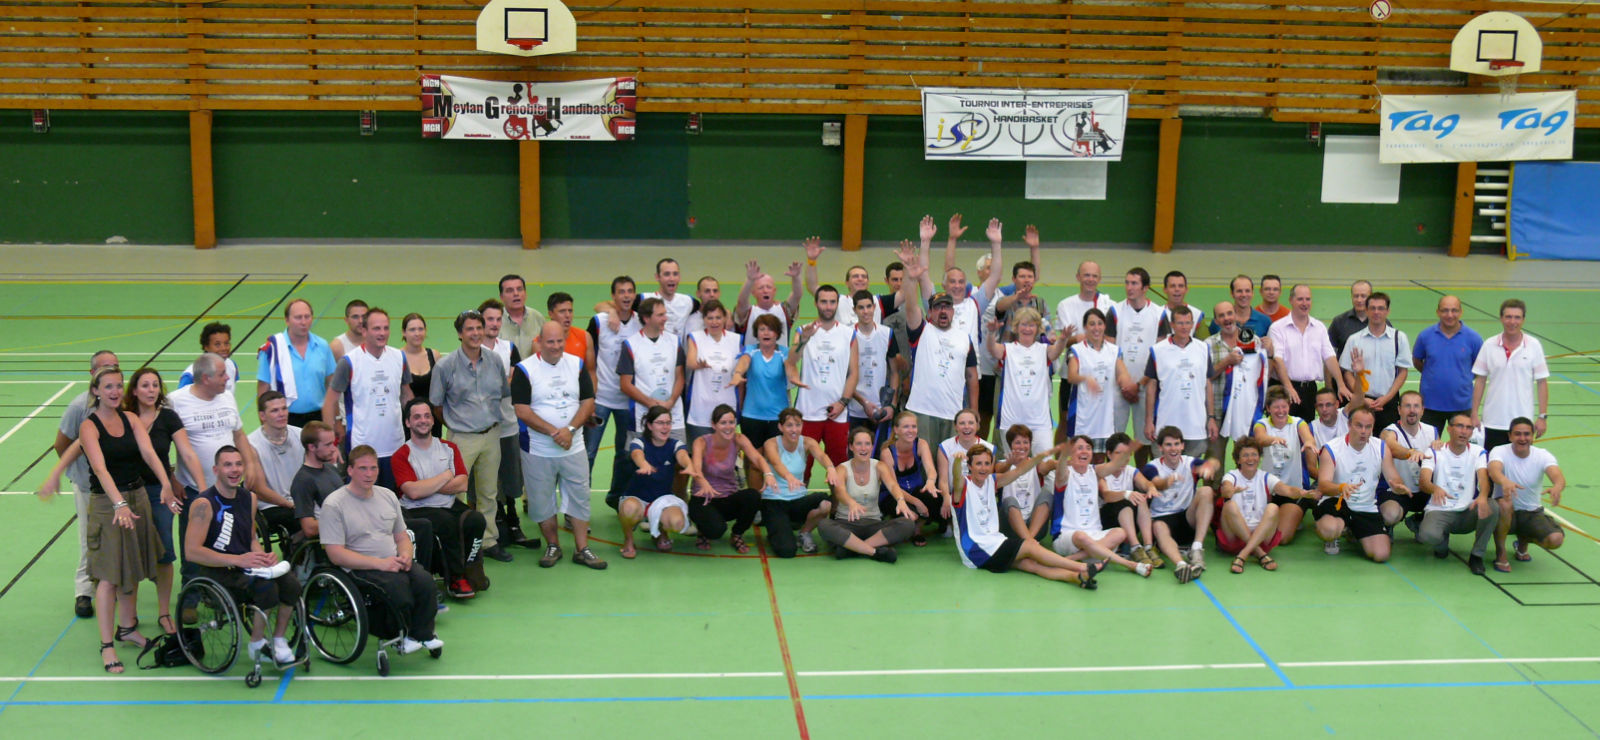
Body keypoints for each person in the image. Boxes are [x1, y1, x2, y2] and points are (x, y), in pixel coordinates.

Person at [78, 366, 173, 673]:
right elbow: (100, 469)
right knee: (109, 577)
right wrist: (118, 503)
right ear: (96, 391)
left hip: (138, 497)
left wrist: (166, 483)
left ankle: (128, 627)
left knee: (133, 568)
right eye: (108, 387)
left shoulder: (131, 419)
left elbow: (148, 454)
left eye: (119, 386)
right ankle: (107, 646)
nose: (115, 392)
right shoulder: (89, 427)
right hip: (108, 504)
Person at [319, 445, 443, 655]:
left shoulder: (387, 496)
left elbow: (401, 536)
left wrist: (405, 555)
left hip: (391, 561)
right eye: (363, 468)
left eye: (373, 468)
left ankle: (421, 633)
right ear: (350, 470)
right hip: (359, 568)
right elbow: (335, 554)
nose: (369, 474)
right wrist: (380, 564)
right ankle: (397, 635)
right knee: (399, 590)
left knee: (425, 583)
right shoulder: (334, 505)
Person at [184, 446, 301, 667]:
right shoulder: (204, 504)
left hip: (245, 566)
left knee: (292, 585)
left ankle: (277, 639)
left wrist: (263, 556)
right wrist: (237, 560)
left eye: (238, 464)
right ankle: (256, 643)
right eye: (228, 465)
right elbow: (191, 551)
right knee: (267, 589)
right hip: (217, 572)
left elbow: (250, 540)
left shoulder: (250, 499)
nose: (234, 469)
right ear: (216, 469)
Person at [513, 322, 607, 570]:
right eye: (550, 342)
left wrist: (571, 430)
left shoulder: (576, 365)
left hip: (573, 447)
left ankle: (582, 548)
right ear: (540, 341)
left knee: (579, 497)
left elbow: (587, 401)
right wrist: (555, 432)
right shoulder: (525, 369)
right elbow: (521, 410)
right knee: (542, 500)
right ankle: (552, 545)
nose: (555, 347)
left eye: (559, 341)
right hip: (538, 449)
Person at [429, 309, 514, 562]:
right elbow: (436, 405)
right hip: (461, 438)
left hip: (491, 435)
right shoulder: (445, 366)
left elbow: (502, 394)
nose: (476, 333)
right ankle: (459, 541)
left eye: (479, 327)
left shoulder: (495, 361)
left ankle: (488, 541)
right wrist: (457, 426)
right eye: (469, 329)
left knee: (489, 492)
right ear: (459, 333)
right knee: (457, 492)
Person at [947, 446, 1098, 587]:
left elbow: (1018, 471)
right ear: (970, 466)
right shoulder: (963, 486)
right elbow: (956, 476)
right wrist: (958, 461)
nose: (983, 468)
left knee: (1032, 565)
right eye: (978, 463)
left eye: (987, 463)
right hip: (978, 550)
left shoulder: (992, 481)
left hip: (995, 543)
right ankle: (1084, 567)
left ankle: (1077, 578)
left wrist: (1040, 457)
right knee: (1030, 546)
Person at [392, 398, 487, 598]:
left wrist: (426, 484)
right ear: (408, 422)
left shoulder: (449, 448)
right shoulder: (401, 455)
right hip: (416, 508)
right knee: (445, 522)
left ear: (433, 421)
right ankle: (455, 578)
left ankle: (471, 568)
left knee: (476, 520)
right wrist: (445, 476)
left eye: (427, 416)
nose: (423, 420)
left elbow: (462, 483)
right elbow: (413, 492)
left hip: (448, 504)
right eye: (417, 417)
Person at [51, 350, 120, 618]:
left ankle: (110, 585)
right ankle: (83, 592)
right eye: (104, 368)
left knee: (114, 539)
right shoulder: (79, 407)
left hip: (118, 486)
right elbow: (61, 443)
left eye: (114, 367)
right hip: (88, 486)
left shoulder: (121, 405)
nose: (110, 372)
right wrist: (77, 471)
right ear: (92, 376)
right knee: (88, 538)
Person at [921, 215, 1004, 434]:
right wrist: (925, 242)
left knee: (963, 435)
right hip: (937, 380)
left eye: (961, 282)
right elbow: (922, 274)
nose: (957, 286)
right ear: (944, 284)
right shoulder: (934, 303)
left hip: (967, 381)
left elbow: (995, 275)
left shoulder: (974, 304)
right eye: (952, 282)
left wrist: (996, 243)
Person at [322, 307, 412, 491]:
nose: (382, 333)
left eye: (386, 328)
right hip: (362, 448)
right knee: (361, 502)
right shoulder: (349, 362)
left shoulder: (399, 357)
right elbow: (329, 402)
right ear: (364, 331)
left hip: (395, 446)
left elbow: (406, 396)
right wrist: (330, 442)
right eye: (376, 328)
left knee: (393, 502)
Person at [898, 245, 978, 449]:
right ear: (931, 312)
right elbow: (910, 305)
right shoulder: (922, 330)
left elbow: (971, 376)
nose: (943, 311)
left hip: (953, 413)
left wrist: (973, 410)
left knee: (950, 467)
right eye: (938, 307)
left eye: (947, 307)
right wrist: (910, 276)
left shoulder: (964, 338)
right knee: (924, 463)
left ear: (953, 311)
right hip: (922, 411)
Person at [1314, 406, 1410, 562]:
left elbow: (1393, 477)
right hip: (1338, 502)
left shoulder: (1381, 447)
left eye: (1368, 426)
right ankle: (1335, 534)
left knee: (1381, 555)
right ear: (1349, 425)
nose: (1364, 431)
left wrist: (1398, 486)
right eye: (1359, 425)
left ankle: (1354, 531)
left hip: (1365, 506)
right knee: (1329, 529)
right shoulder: (1331, 449)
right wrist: (1341, 487)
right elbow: (1323, 485)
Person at [1050, 436, 1153, 577]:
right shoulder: (1066, 475)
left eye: (1088, 448)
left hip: (1095, 537)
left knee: (1121, 533)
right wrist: (1063, 456)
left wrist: (1132, 447)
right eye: (1079, 448)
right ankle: (1131, 565)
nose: (1084, 452)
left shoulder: (1095, 471)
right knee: (1081, 536)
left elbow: (1116, 464)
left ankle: (1071, 560)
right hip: (1067, 537)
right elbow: (1061, 469)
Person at [788, 284, 859, 480]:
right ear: (816, 303)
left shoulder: (849, 333)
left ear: (837, 304)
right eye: (823, 302)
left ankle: (838, 510)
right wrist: (804, 339)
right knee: (802, 467)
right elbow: (792, 360)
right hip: (807, 411)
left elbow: (853, 373)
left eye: (832, 302)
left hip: (837, 413)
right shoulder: (803, 330)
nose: (828, 306)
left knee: (838, 470)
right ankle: (799, 508)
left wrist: (842, 402)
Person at [476, 298, 532, 550]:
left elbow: (515, 384)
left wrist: (498, 386)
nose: (495, 323)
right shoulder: (475, 351)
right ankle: (495, 522)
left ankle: (513, 521)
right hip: (483, 427)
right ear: (480, 321)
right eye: (489, 319)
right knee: (489, 480)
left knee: (511, 477)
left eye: (498, 319)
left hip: (508, 425)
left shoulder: (509, 348)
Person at [171, 353, 264, 499]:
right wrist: (172, 479)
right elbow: (161, 444)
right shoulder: (175, 401)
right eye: (222, 374)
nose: (227, 378)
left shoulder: (227, 397)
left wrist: (250, 464)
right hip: (193, 490)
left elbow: (238, 434)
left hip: (229, 487)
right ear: (206, 379)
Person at [818, 427, 916, 562]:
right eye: (859, 444)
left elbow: (893, 485)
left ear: (872, 446)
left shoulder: (879, 466)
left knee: (908, 524)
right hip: (847, 523)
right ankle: (874, 552)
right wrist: (851, 503)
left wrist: (900, 500)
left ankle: (852, 549)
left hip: (873, 524)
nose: (863, 448)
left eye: (867, 444)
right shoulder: (842, 469)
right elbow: (839, 491)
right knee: (824, 525)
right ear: (851, 447)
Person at [1417, 413, 1496, 574]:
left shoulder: (1478, 452)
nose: (1464, 431)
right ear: (1449, 429)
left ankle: (1476, 555)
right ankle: (1441, 542)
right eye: (1459, 426)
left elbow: (1483, 478)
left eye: (1468, 427)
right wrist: (1435, 488)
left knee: (1493, 507)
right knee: (1428, 536)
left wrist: (1482, 496)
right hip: (1440, 510)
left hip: (1467, 511)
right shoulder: (1434, 452)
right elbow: (1424, 481)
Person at [618, 406, 701, 557]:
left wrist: (689, 465)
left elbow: (682, 455)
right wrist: (643, 464)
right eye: (660, 423)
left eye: (668, 423)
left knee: (677, 523)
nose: (665, 427)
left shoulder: (675, 444)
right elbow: (637, 454)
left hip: (662, 500)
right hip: (637, 499)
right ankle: (629, 540)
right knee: (628, 510)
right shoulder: (639, 442)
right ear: (649, 425)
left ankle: (660, 533)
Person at [1142, 426, 1221, 583]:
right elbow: (1157, 483)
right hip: (1163, 520)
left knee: (1205, 490)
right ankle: (1181, 565)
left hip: (1187, 517)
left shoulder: (1190, 463)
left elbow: (1214, 462)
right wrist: (1167, 481)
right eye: (1169, 445)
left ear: (1183, 446)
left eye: (1177, 444)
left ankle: (1197, 548)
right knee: (1158, 527)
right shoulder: (1152, 467)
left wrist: (1210, 466)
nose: (1174, 449)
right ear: (1160, 448)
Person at [587, 276, 642, 500]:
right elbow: (587, 360)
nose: (626, 296)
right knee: (589, 452)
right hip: (600, 399)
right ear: (613, 296)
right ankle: (581, 505)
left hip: (628, 402)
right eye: (621, 291)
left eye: (630, 291)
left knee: (625, 454)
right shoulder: (599, 322)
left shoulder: (642, 321)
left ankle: (617, 497)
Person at [1488, 417, 1566, 572]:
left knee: (1555, 539)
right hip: (1504, 512)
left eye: (1527, 434)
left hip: (1530, 512)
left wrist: (1557, 486)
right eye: (1517, 434)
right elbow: (1493, 470)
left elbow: (1557, 475)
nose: (1522, 438)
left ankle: (1523, 541)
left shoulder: (1543, 455)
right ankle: (1501, 553)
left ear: (1532, 436)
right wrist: (1504, 481)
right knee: (1504, 504)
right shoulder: (1499, 450)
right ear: (1510, 436)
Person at [1471, 299, 1550, 452]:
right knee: (1491, 469)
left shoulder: (1534, 346)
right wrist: (1474, 413)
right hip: (1492, 421)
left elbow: (1542, 382)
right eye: (1508, 317)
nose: (1512, 321)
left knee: (1520, 469)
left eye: (1517, 317)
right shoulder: (1489, 345)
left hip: (1522, 423)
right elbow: (1480, 381)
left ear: (1523, 320)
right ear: (1501, 318)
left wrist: (1542, 416)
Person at [689, 404, 769, 553]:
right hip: (704, 498)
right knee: (716, 531)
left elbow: (757, 458)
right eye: (723, 423)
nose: (728, 427)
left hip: (727, 497)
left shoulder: (739, 439)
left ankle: (737, 534)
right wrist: (703, 481)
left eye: (731, 422)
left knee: (753, 496)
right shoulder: (701, 442)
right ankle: (703, 529)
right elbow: (696, 468)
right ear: (714, 425)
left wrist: (768, 474)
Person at [1106, 267, 1166, 465]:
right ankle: (1115, 473)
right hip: (1118, 385)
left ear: (1145, 288)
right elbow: (1110, 349)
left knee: (1145, 436)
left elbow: (1160, 355)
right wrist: (1125, 383)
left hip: (1146, 386)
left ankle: (1141, 474)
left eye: (1134, 283)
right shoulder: (1115, 311)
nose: (1129, 287)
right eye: (1127, 282)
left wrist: (1139, 384)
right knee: (1114, 435)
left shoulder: (1159, 313)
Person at [762, 407, 839, 557]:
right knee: (787, 551)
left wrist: (830, 468)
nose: (794, 430)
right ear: (780, 427)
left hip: (797, 499)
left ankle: (804, 533)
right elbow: (776, 463)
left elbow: (822, 456)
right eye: (789, 425)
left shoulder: (807, 443)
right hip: (775, 500)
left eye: (798, 425)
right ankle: (776, 531)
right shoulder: (771, 443)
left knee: (826, 504)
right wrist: (789, 477)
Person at [1206, 301, 1273, 470]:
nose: (1227, 318)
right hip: (1218, 410)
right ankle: (1214, 495)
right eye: (1221, 316)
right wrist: (1226, 362)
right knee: (1215, 460)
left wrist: (1270, 352)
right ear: (1215, 320)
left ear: (1235, 315)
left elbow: (1264, 374)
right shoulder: (1207, 345)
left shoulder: (1253, 340)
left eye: (1229, 313)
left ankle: (1243, 492)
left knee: (1246, 459)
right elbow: (1205, 377)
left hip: (1245, 412)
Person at [993, 307, 1071, 453]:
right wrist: (991, 333)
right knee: (1015, 466)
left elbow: (1056, 351)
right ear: (1016, 327)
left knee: (1044, 463)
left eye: (1031, 325)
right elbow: (992, 349)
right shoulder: (1007, 349)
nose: (1027, 329)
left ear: (1037, 328)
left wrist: (1064, 338)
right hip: (1011, 420)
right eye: (1023, 324)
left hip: (1039, 421)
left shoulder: (1044, 349)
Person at [1269, 285, 1351, 422]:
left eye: (1308, 299)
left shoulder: (1319, 327)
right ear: (1291, 300)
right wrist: (1288, 387)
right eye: (1300, 299)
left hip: (1309, 390)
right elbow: (1278, 360)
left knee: (1307, 433)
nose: (1304, 303)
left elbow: (1330, 357)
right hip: (1284, 389)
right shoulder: (1277, 328)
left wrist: (1341, 384)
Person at [1143, 306, 1214, 458]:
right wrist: (1149, 420)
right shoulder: (1157, 350)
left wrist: (1211, 417)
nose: (1184, 327)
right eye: (1180, 323)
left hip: (1196, 424)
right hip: (1166, 423)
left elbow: (1207, 384)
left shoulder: (1203, 348)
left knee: (1191, 475)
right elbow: (1151, 387)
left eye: (1188, 323)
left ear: (1192, 324)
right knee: (1165, 475)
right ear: (1172, 324)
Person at [257, 298, 338, 428]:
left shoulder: (322, 346)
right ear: (287, 320)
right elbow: (263, 390)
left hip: (318, 418)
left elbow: (332, 386)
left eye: (307, 317)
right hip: (284, 419)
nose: (303, 322)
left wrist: (336, 419)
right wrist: (265, 426)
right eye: (298, 317)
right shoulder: (272, 349)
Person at [619, 296, 688, 448]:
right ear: (646, 318)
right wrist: (651, 404)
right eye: (660, 315)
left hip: (673, 414)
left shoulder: (674, 342)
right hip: (643, 416)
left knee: (679, 461)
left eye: (665, 313)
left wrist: (670, 402)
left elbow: (680, 377)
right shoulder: (631, 344)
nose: (665, 318)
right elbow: (625, 385)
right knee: (640, 462)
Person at [731, 313, 791, 486]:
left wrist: (793, 376)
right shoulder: (750, 350)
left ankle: (773, 500)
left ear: (777, 334)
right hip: (752, 417)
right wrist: (737, 374)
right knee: (755, 463)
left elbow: (791, 367)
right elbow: (743, 362)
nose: (766, 333)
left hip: (777, 419)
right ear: (757, 333)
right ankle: (755, 500)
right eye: (762, 329)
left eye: (770, 329)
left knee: (775, 462)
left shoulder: (784, 353)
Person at [1216, 439, 1293, 574]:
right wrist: (1231, 491)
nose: (1250, 459)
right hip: (1234, 538)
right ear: (1238, 460)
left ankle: (1243, 555)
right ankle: (1260, 553)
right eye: (1245, 455)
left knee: (1273, 508)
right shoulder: (1231, 475)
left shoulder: (1266, 477)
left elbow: (1287, 490)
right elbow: (1225, 490)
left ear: (1259, 457)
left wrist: (1304, 493)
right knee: (1230, 505)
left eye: (1254, 454)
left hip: (1261, 536)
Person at [1253, 387, 1317, 546]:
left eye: (1284, 406)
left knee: (1282, 538)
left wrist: (1309, 443)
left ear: (1289, 406)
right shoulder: (1261, 424)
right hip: (1269, 490)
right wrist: (1273, 440)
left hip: (1293, 489)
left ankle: (1294, 513)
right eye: (1276, 407)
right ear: (1268, 408)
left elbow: (1307, 436)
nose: (1280, 411)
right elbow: (1260, 439)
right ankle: (1283, 516)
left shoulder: (1297, 423)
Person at [1339, 292, 1411, 432]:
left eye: (1381, 308)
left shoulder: (1399, 338)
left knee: (1387, 445)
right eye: (1372, 308)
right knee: (1360, 442)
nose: (1376, 312)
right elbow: (1348, 373)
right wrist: (1361, 398)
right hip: (1361, 403)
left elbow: (1402, 372)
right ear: (1366, 310)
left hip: (1388, 403)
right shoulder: (1354, 339)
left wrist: (1387, 397)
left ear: (1387, 311)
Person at [1412, 295, 1483, 433]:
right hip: (1430, 405)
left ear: (1461, 312)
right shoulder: (1425, 336)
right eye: (1445, 310)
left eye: (1454, 310)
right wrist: (1432, 374)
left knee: (1462, 446)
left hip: (1462, 405)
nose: (1450, 315)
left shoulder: (1473, 338)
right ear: (1438, 312)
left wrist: (1463, 378)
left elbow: (1479, 368)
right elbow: (1417, 361)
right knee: (1429, 447)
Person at [247, 391, 305, 545]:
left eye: (284, 409)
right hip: (271, 505)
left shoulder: (301, 435)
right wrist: (290, 505)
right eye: (274, 410)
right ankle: (298, 559)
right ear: (262, 416)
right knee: (300, 521)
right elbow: (258, 488)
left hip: (300, 500)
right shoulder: (251, 445)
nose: (281, 414)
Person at [879, 411, 942, 546]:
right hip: (894, 495)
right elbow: (894, 487)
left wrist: (931, 481)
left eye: (913, 427)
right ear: (896, 430)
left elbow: (931, 469)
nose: (911, 430)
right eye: (906, 427)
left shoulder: (921, 444)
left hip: (915, 490)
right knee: (906, 512)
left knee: (937, 498)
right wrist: (918, 503)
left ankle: (917, 529)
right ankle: (892, 522)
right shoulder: (887, 452)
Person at [1379, 391, 1436, 535]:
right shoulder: (1389, 431)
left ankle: (1419, 520)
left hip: (1424, 489)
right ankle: (1388, 525)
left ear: (1422, 410)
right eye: (1407, 406)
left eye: (1416, 406)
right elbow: (1391, 446)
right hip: (1398, 490)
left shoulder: (1432, 431)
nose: (1412, 410)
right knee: (1389, 514)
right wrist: (1410, 453)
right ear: (1399, 410)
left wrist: (1440, 447)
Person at [685, 299, 742, 443]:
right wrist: (699, 364)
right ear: (704, 319)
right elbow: (690, 362)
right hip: (701, 405)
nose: (714, 322)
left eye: (718, 317)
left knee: (724, 452)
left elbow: (741, 367)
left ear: (724, 318)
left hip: (726, 403)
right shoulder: (695, 337)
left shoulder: (736, 340)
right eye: (709, 318)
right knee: (700, 453)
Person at [1099, 433, 1160, 567]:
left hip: (1128, 521)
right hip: (1108, 519)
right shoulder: (1102, 472)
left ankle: (1148, 546)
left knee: (1141, 498)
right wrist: (1126, 494)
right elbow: (1107, 495)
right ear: (1109, 454)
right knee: (1126, 503)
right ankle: (1135, 547)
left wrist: (1151, 488)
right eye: (1118, 453)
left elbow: (1145, 483)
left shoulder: (1131, 471)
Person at [846, 289, 897, 437]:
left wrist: (891, 405)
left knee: (881, 456)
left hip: (882, 410)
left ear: (874, 307)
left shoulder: (887, 333)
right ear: (854, 310)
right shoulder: (847, 335)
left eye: (869, 306)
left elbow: (894, 372)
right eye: (861, 307)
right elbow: (844, 376)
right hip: (854, 409)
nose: (865, 311)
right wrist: (864, 402)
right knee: (856, 456)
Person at [803, 239, 884, 328]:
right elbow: (812, 286)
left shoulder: (879, 300)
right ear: (847, 283)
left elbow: (902, 293)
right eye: (855, 276)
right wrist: (811, 261)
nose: (860, 279)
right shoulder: (838, 300)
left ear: (868, 282)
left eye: (864, 276)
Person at [997, 425, 1055, 541]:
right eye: (1017, 443)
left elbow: (1046, 466)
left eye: (1026, 442)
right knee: (1009, 500)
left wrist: (1058, 463)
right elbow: (999, 470)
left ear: (1030, 444)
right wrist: (1009, 464)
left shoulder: (1036, 464)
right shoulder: (1002, 464)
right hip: (1010, 527)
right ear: (1010, 445)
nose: (1022, 446)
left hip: (1034, 526)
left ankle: (1029, 540)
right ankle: (1030, 543)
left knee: (1047, 494)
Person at [291, 422, 343, 539]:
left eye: (333, 443)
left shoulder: (330, 468)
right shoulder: (303, 481)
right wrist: (344, 520)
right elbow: (309, 528)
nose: (333, 449)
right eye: (328, 445)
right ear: (312, 447)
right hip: (331, 540)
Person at [936, 409, 993, 507]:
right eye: (962, 423)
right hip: (953, 496)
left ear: (977, 426)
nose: (966, 427)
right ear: (955, 426)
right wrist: (946, 498)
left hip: (978, 497)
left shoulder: (989, 448)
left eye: (971, 423)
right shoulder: (945, 447)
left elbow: (988, 481)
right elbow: (943, 481)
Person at [400, 313, 443, 438]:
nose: (417, 333)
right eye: (412, 329)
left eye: (420, 329)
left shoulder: (434, 355)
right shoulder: (397, 357)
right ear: (404, 332)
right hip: (407, 422)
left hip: (432, 420)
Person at [642, 257, 697, 337]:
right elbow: (620, 303)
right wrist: (615, 313)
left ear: (679, 277)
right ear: (657, 277)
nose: (672, 278)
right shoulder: (644, 299)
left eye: (675, 274)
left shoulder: (688, 301)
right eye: (667, 274)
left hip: (678, 348)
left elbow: (707, 307)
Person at [497, 274, 547, 359]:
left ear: (525, 293)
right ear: (501, 297)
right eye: (509, 290)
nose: (516, 294)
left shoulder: (538, 318)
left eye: (519, 289)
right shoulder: (495, 320)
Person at [178, 322, 238, 392]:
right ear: (206, 346)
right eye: (217, 344)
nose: (224, 348)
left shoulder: (232, 365)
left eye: (226, 343)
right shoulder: (191, 375)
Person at [1328, 280, 1375, 357]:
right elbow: (1329, 353)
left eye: (1363, 296)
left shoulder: (1382, 323)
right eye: (1356, 296)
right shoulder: (1339, 322)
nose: (1359, 300)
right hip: (1344, 369)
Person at [1159, 271, 1206, 339]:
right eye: (1172, 286)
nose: (1177, 289)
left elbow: (1203, 343)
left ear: (1186, 289)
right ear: (1165, 290)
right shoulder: (1157, 314)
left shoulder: (1197, 315)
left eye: (1181, 286)